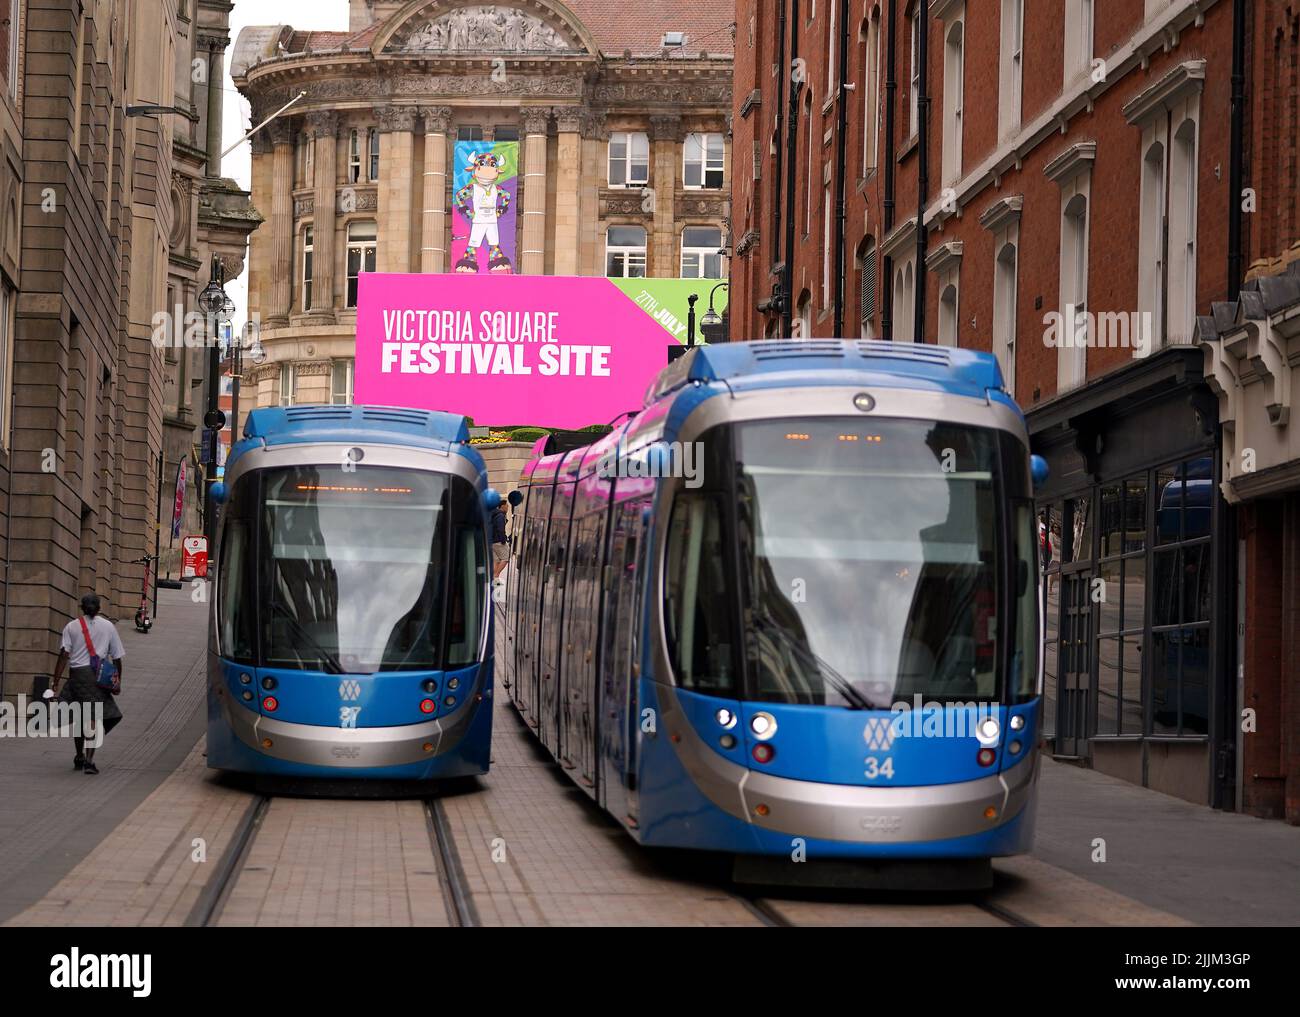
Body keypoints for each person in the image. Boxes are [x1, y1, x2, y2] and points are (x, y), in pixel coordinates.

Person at [50, 594, 124, 775]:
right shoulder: (108, 627)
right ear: (99, 608)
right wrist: (117, 681)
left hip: (76, 677)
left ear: (81, 607)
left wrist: (55, 683)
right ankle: (89, 761)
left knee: (78, 717)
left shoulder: (71, 627)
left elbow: (63, 655)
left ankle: (78, 755)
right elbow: (117, 658)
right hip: (97, 678)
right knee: (93, 720)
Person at [491, 502, 510, 578]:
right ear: (502, 506)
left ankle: (494, 579)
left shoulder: (493, 514)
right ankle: (496, 575)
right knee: (506, 558)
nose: (508, 508)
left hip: (491, 541)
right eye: (507, 506)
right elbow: (500, 529)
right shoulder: (500, 515)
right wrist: (503, 540)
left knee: (497, 560)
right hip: (498, 541)